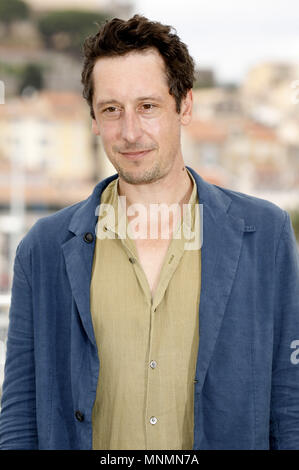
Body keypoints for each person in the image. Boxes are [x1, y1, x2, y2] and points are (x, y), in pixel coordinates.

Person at [0, 14, 299, 451]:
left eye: (148, 106)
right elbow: (20, 414)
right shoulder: (42, 250)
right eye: (111, 110)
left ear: (185, 106)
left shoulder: (266, 235)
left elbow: (290, 404)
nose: (130, 131)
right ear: (94, 121)